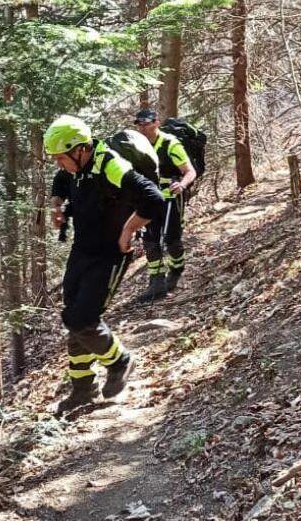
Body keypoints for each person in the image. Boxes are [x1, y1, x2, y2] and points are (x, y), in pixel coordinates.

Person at [44, 115, 166, 413]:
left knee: (83, 319)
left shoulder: (111, 165)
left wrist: (128, 230)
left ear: (81, 149)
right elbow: (62, 180)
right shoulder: (77, 166)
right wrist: (57, 205)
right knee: (73, 317)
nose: (60, 164)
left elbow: (153, 198)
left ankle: (120, 360)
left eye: (62, 157)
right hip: (82, 250)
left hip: (110, 255)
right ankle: (83, 389)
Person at [131, 109, 198, 302]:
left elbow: (189, 171)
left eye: (146, 123)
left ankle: (177, 268)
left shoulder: (170, 144)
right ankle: (156, 282)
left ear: (156, 123)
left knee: (171, 238)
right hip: (148, 199)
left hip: (170, 198)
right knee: (150, 240)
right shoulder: (137, 146)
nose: (142, 127)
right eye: (138, 124)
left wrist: (182, 184)